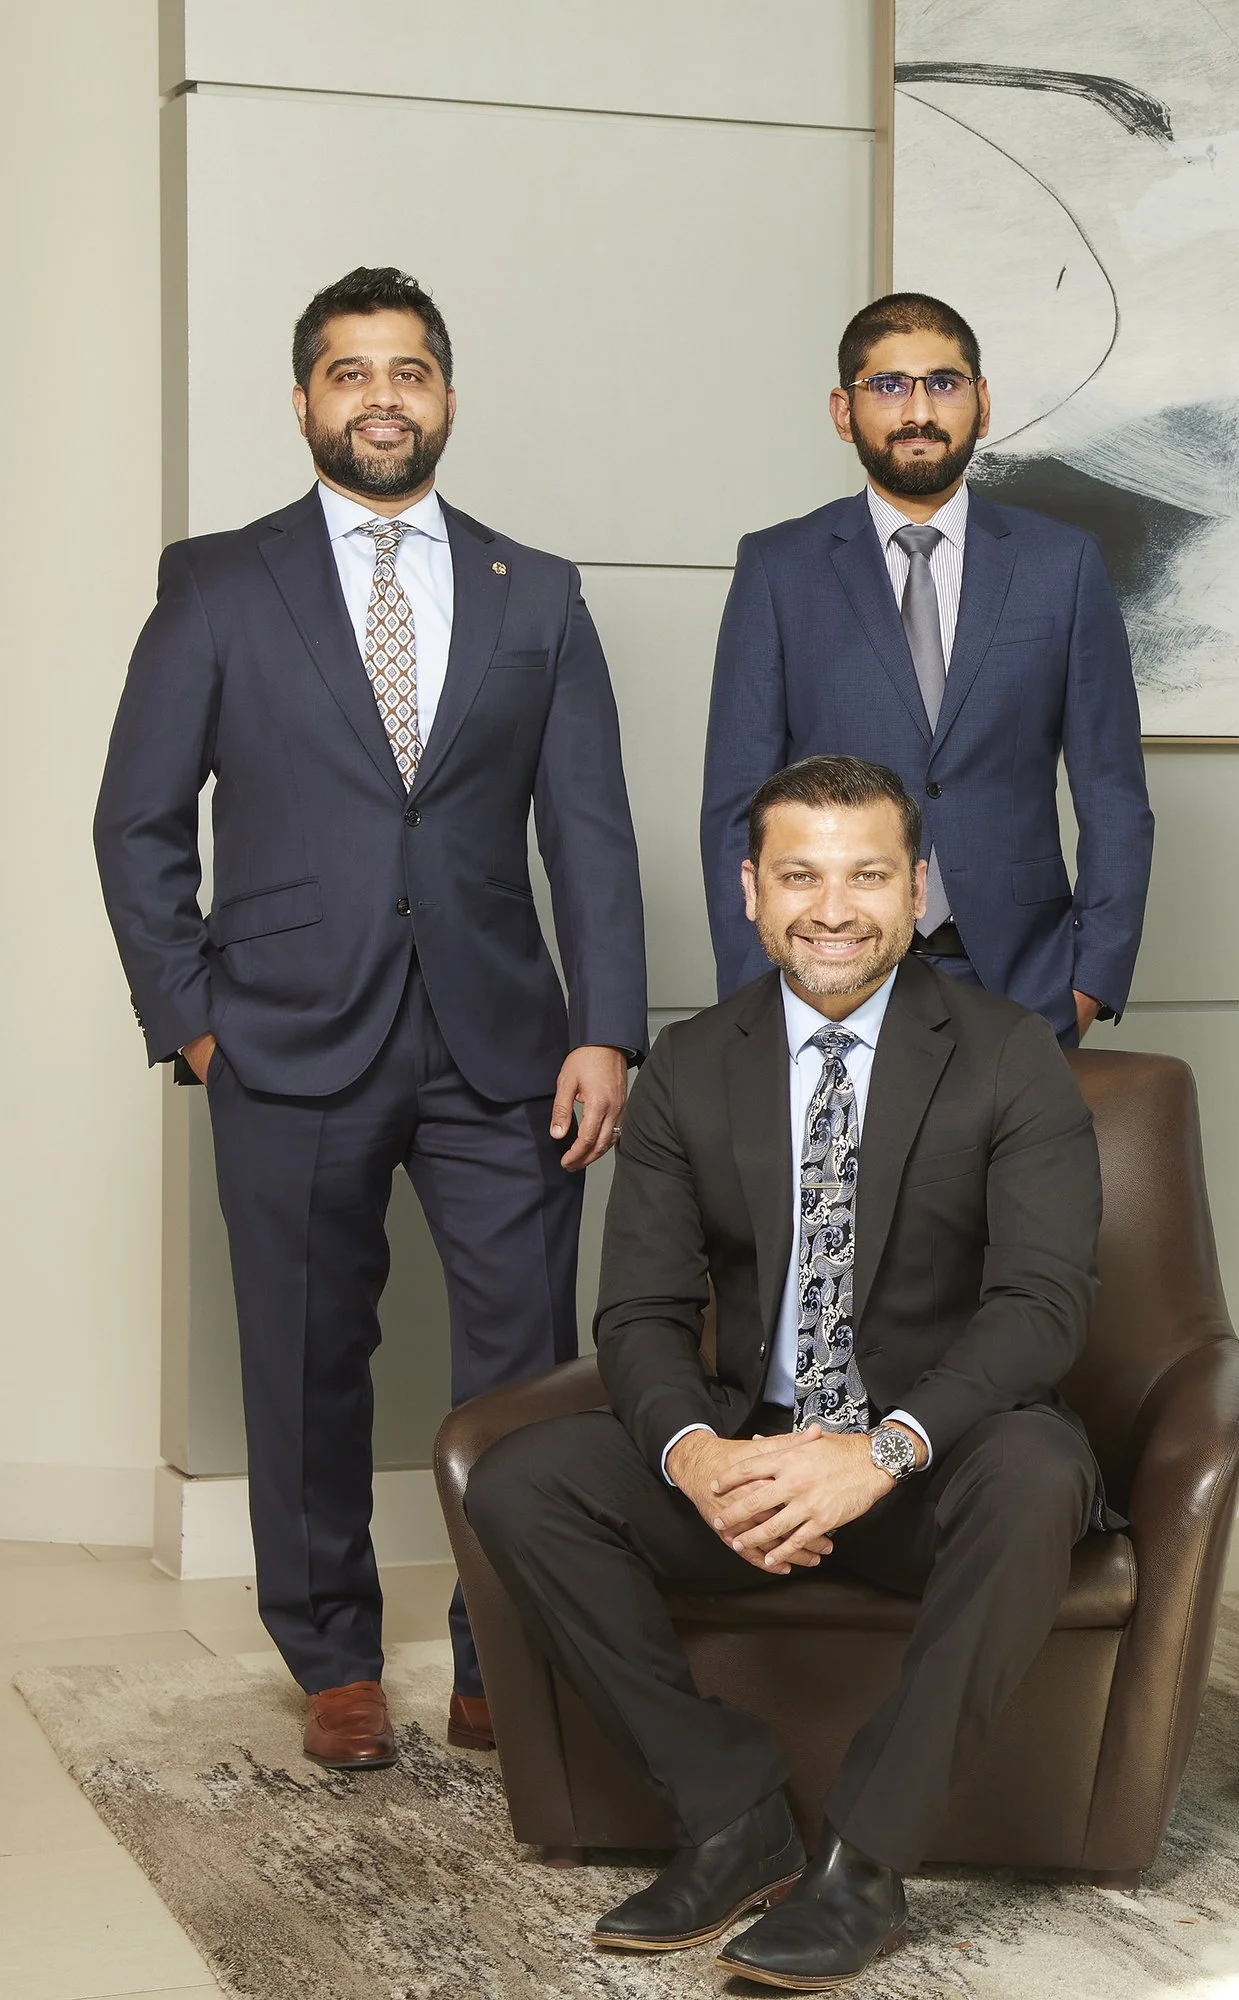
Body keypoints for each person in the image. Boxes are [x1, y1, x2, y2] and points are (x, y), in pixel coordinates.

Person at [92, 267, 645, 1770]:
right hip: (282, 1035)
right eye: (350, 374)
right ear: (304, 403)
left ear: (448, 396)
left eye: (408, 371)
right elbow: (137, 821)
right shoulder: (218, 582)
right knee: (305, 1352)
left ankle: (501, 1650)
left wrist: (607, 1029)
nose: (381, 397)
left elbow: (586, 832)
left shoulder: (540, 591)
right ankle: (330, 1655)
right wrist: (192, 1016)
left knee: (523, 1370)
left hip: (503, 1045)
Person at [466, 755, 1104, 1989]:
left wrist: (879, 1451)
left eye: (868, 873)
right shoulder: (692, 1063)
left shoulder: (1008, 1052)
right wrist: (701, 1458)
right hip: (755, 1453)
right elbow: (641, 1314)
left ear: (919, 890)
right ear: (751, 890)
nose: (833, 905)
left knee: (1039, 1472)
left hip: (933, 1462)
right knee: (521, 1480)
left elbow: (1043, 1304)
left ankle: (861, 1861)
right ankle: (730, 1810)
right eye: (799, 874)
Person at [699, 291, 1153, 1046]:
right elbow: (736, 803)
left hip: (1020, 978)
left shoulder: (1061, 565)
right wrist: (760, 982)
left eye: (943, 383)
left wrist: (1088, 979)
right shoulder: (778, 567)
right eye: (889, 385)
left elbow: (1114, 795)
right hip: (828, 964)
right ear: (844, 412)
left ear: (981, 401)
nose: (918, 410)